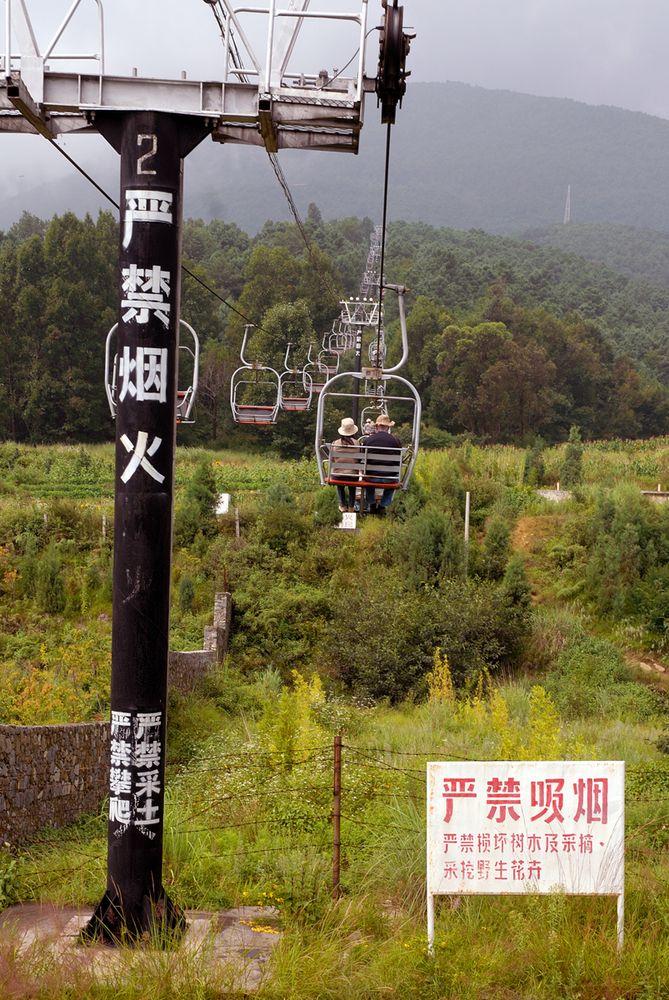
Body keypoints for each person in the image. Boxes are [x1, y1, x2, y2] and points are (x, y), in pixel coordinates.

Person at [362, 413, 401, 514]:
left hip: (372, 477)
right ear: (388, 427)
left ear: (377, 426)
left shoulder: (368, 440)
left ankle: (371, 503)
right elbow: (399, 460)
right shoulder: (396, 441)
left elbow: (362, 458)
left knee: (367, 476)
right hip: (389, 478)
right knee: (394, 479)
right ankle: (383, 505)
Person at [330, 417, 360, 512]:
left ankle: (342, 505)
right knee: (352, 484)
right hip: (353, 475)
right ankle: (351, 506)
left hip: (338, 476)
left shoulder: (335, 443)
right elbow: (359, 459)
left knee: (340, 483)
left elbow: (332, 459)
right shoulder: (357, 443)